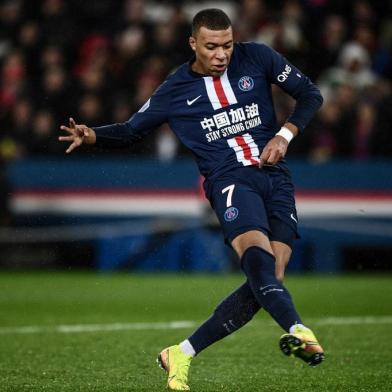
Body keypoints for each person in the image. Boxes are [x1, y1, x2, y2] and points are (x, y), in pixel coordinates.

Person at [59, 9, 325, 391]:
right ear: (193, 44)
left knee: (270, 278)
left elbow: (310, 94)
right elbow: (133, 130)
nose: (222, 54)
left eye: (228, 45)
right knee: (258, 261)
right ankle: (298, 329)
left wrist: (285, 135)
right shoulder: (175, 90)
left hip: (276, 178)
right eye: (212, 46)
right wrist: (92, 136)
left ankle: (181, 352)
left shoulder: (259, 57)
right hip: (231, 181)